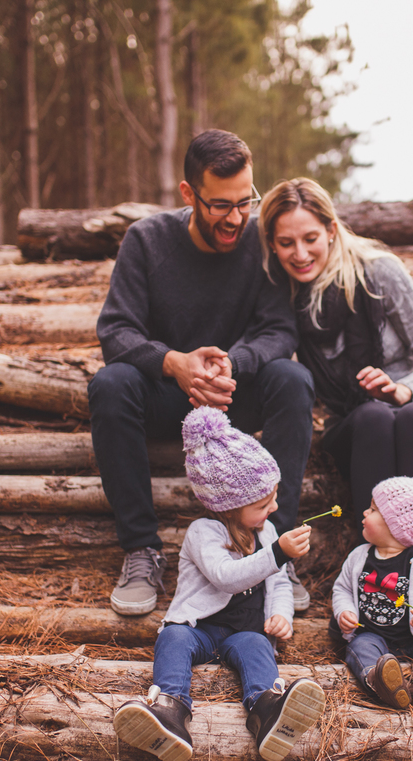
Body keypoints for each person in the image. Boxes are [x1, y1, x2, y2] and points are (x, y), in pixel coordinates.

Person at [90, 131, 315, 616]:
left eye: (245, 202)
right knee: (110, 385)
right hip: (167, 396)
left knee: (292, 380)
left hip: (236, 396)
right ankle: (141, 550)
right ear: (189, 194)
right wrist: (175, 363)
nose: (236, 218)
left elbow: (280, 330)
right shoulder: (147, 241)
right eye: (220, 205)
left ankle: (278, 550)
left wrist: (234, 362)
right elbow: (115, 331)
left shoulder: (260, 243)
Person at [113, 406, 326, 761]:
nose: (273, 508)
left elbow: (278, 585)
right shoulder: (204, 533)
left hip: (243, 630)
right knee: (172, 638)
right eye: (263, 503)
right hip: (199, 628)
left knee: (258, 646)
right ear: (229, 506)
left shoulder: (267, 531)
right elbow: (226, 576)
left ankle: (267, 709)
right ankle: (170, 709)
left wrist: (280, 615)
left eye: (274, 497)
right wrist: (278, 552)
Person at [259, 178, 413, 540]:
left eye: (310, 239)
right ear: (272, 246)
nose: (301, 254)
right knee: (372, 414)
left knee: (412, 416)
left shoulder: (379, 273)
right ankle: (375, 566)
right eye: (286, 243)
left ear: (331, 230)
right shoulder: (283, 299)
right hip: (360, 435)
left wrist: (402, 390)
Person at [331, 476, 413, 709]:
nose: (364, 513)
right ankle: (378, 678)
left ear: (398, 526)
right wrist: (345, 611)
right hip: (374, 636)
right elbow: (342, 588)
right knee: (359, 646)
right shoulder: (359, 556)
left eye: (373, 510)